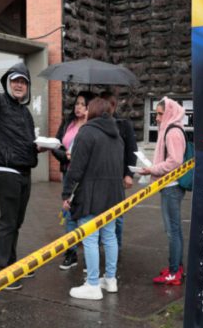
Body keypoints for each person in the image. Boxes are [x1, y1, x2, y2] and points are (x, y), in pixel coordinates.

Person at [0, 50, 40, 289]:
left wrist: (38, 148)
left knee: (16, 222)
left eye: (23, 81)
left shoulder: (25, 113)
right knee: (8, 221)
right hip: (6, 172)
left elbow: (27, 142)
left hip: (24, 173)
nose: (19, 85)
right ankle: (0, 271)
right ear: (8, 83)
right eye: (15, 81)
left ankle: (12, 265)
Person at [62, 98, 124, 300]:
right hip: (113, 195)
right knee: (109, 236)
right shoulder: (117, 135)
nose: (85, 111)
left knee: (90, 238)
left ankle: (93, 284)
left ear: (93, 111)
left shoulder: (86, 132)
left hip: (90, 194)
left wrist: (67, 194)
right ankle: (111, 280)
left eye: (87, 108)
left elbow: (76, 169)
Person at [138, 97, 186, 285]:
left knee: (172, 231)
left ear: (169, 113)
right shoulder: (172, 128)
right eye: (156, 114)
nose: (157, 118)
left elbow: (175, 161)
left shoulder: (172, 132)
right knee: (175, 230)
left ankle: (174, 272)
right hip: (171, 186)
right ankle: (177, 267)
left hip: (171, 187)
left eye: (159, 113)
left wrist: (153, 170)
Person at [51, 91, 96, 270]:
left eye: (83, 104)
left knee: (85, 216)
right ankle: (71, 253)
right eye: (77, 103)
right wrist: (66, 156)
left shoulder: (92, 126)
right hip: (68, 175)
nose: (78, 107)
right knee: (69, 215)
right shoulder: (68, 123)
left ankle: (89, 257)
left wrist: (76, 157)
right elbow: (56, 145)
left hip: (86, 178)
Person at [99, 91, 138, 251]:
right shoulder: (96, 124)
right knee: (98, 215)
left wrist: (129, 175)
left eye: (105, 105)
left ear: (113, 106)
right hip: (99, 178)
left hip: (117, 179)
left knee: (117, 216)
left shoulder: (123, 125)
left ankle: (116, 248)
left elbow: (132, 151)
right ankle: (103, 246)